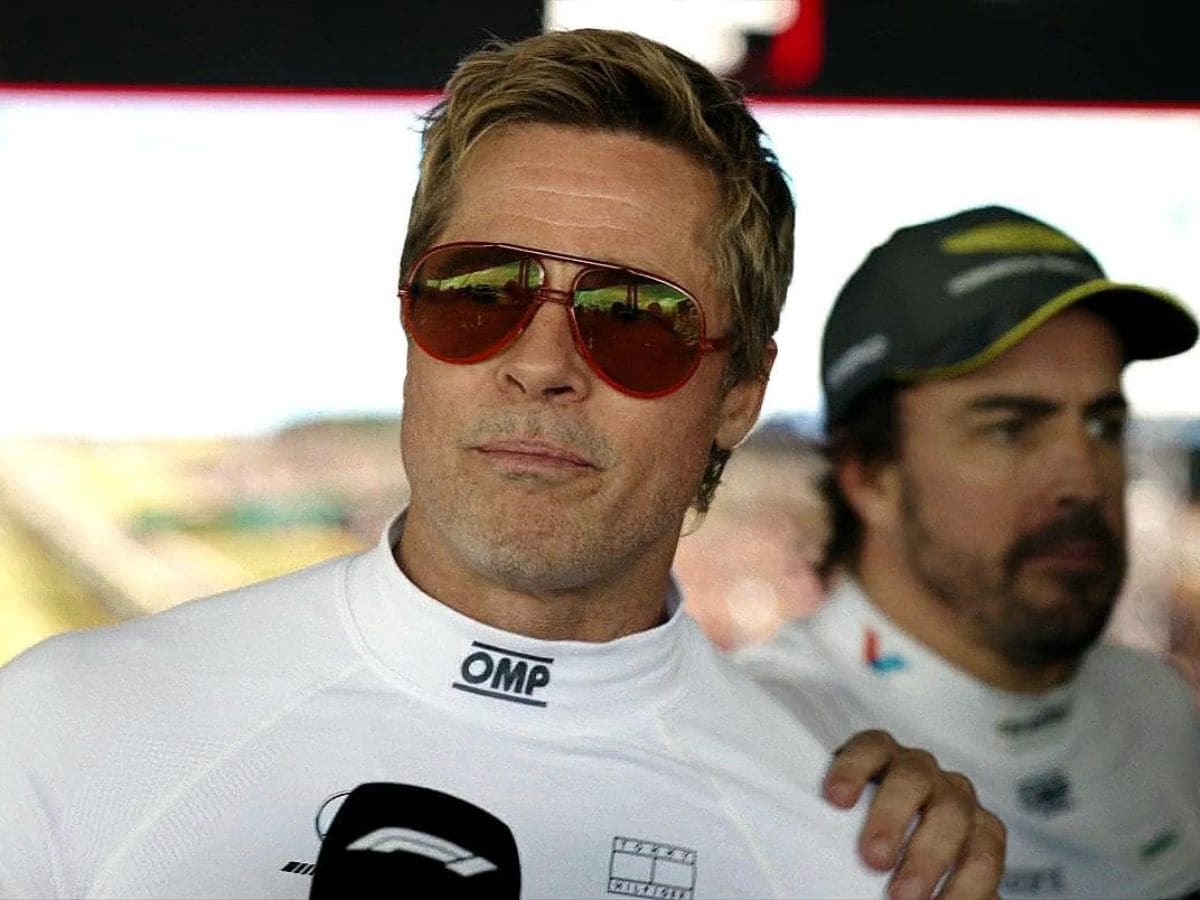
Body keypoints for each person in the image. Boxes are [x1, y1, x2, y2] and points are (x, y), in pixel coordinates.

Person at [0, 31, 1004, 900]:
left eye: (634, 316)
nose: (540, 363)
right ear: (408, 319)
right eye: (478, 291)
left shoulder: (865, 854)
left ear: (739, 392)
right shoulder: (58, 732)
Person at [735, 204, 1200, 899]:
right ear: (870, 475)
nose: (1083, 479)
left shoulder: (1155, 705)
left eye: (1104, 424)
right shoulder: (766, 740)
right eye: (1010, 429)